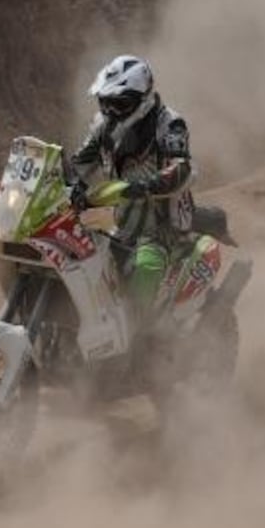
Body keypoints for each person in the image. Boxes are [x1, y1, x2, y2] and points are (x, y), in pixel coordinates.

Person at [67, 55, 196, 331]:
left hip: (164, 230)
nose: (111, 111)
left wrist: (147, 185)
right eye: (106, 102)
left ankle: (141, 348)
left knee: (145, 270)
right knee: (88, 267)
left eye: (120, 104)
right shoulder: (103, 125)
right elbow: (80, 162)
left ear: (143, 98)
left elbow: (181, 168)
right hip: (123, 226)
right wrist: (65, 182)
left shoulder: (169, 124)